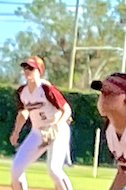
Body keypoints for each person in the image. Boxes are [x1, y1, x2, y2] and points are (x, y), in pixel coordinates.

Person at [9, 55, 75, 190]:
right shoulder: (22, 92)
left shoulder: (46, 89)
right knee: (16, 169)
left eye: (31, 68)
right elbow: (23, 113)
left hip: (57, 130)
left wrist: (57, 125)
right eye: (25, 67)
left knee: (54, 170)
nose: (27, 71)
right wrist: (16, 132)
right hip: (38, 132)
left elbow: (67, 110)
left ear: (39, 71)